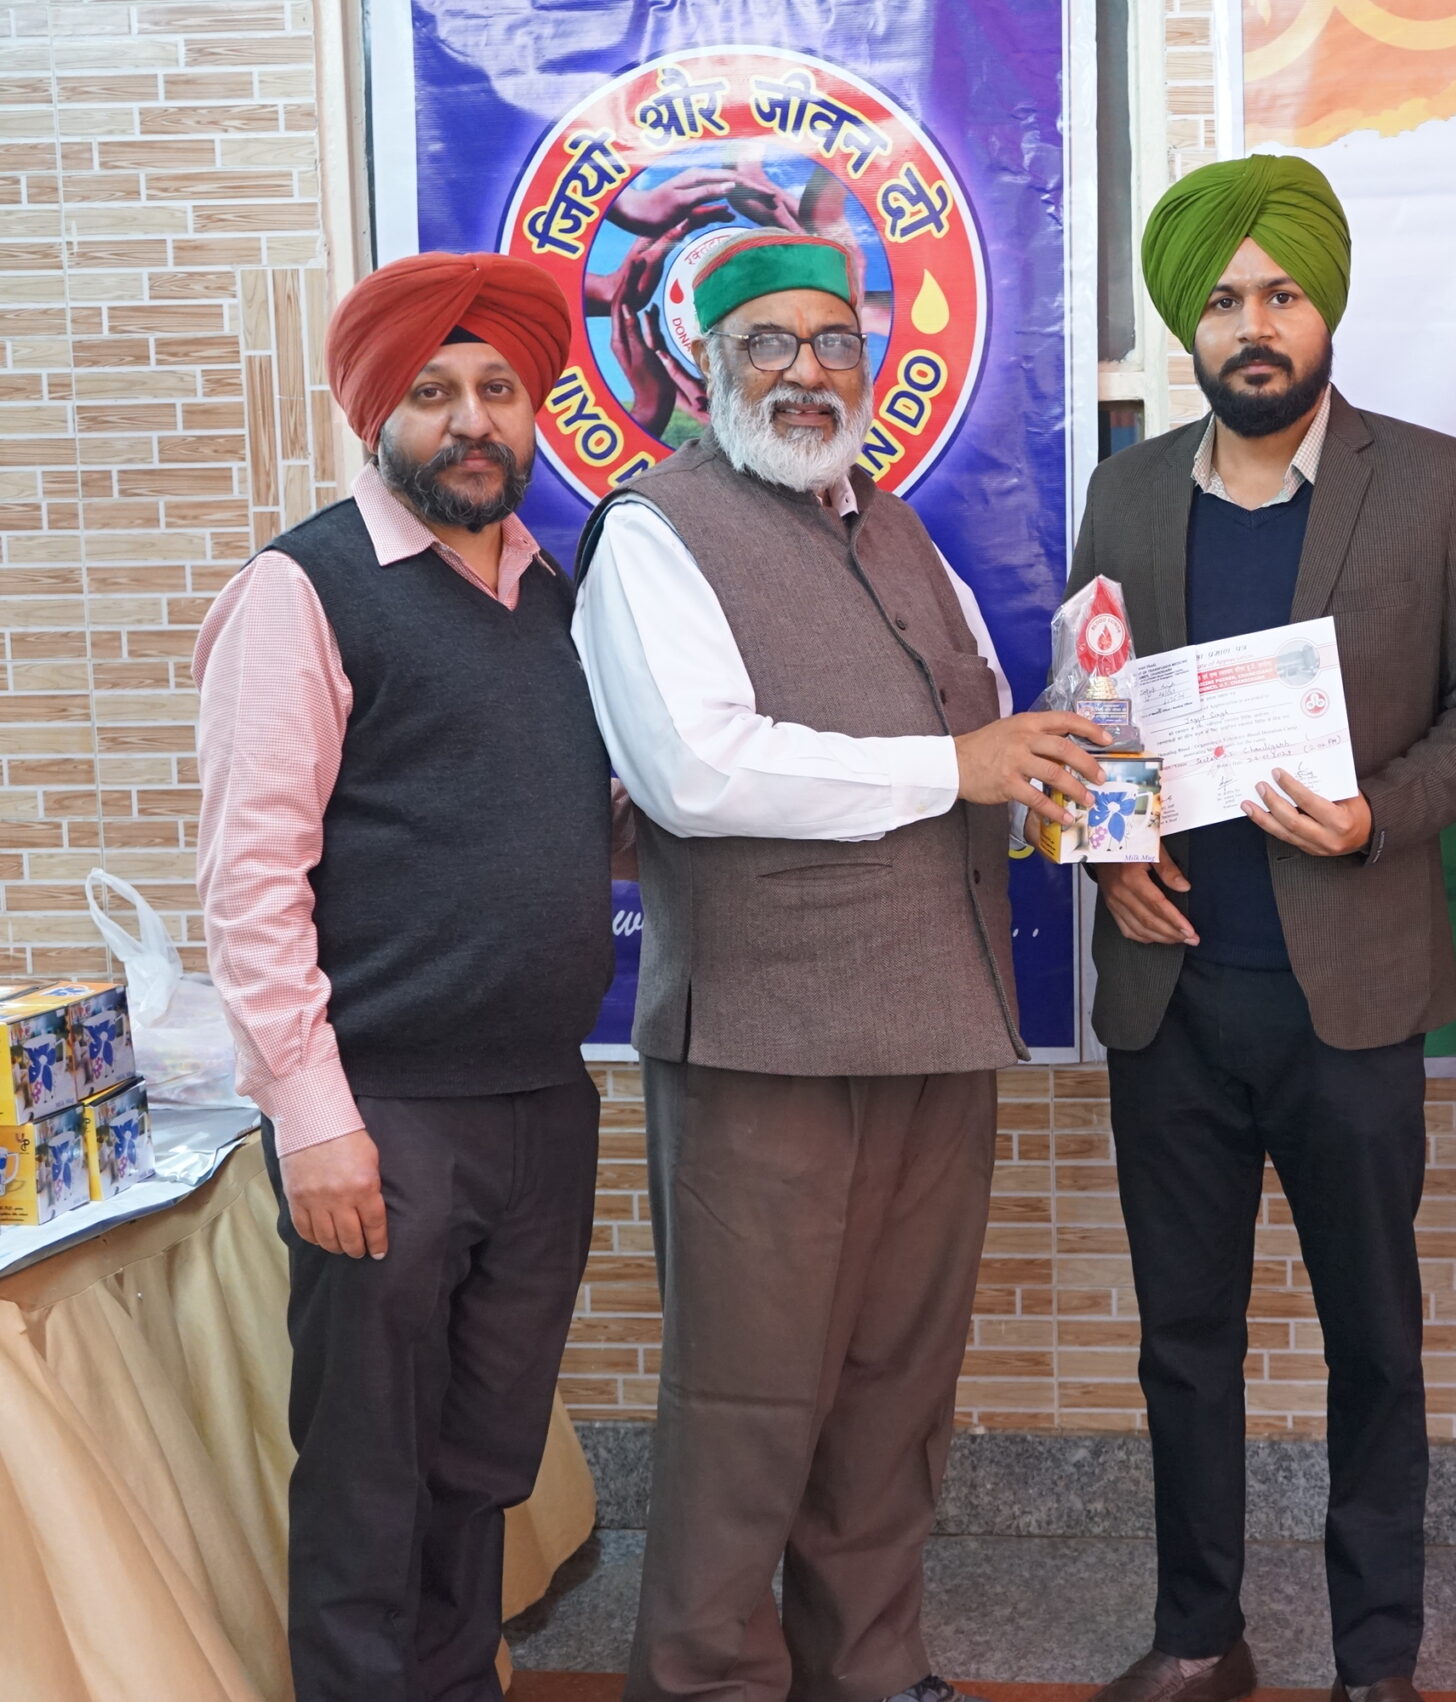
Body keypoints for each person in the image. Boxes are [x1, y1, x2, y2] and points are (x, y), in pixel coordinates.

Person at [572, 231, 1111, 1702]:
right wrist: (962, 767)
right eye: (769, 342)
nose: (806, 371)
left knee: (895, 1395)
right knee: (747, 1405)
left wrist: (1076, 784)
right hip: (767, 1042)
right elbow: (695, 772)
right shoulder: (656, 531)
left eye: (833, 341)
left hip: (938, 1024)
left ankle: (869, 1667)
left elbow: (990, 732)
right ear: (705, 367)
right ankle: (706, 1679)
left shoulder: (899, 530)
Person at [1073, 155, 1456, 1702]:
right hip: (1171, 996)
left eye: (1279, 295)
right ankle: (1199, 1635)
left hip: (1349, 995)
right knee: (1183, 1339)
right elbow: (1090, 711)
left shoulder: (1432, 481)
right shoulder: (1127, 491)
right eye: (1222, 301)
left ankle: (1375, 1657)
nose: (1252, 326)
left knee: (1376, 1343)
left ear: (1325, 307)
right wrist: (1106, 853)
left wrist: (1376, 814)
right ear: (1189, 328)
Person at [196, 251, 613, 1698]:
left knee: (482, 1468)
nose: (472, 420)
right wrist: (314, 1117)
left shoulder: (554, 594)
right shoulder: (302, 590)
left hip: (544, 1106)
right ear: (376, 413)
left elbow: (567, 817)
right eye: (433, 392)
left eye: (499, 388)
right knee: (371, 1481)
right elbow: (250, 882)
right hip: (383, 1117)